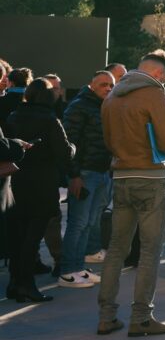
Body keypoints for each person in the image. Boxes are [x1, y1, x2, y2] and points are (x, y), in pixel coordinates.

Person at [98, 50, 165, 337]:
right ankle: (141, 318)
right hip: (151, 177)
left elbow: (108, 141)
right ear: (159, 74)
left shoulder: (112, 96)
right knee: (149, 250)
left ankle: (106, 316)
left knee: (116, 250)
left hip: (121, 176)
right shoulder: (154, 93)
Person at [5, 78, 76, 301]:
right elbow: (64, 154)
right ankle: (26, 284)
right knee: (33, 237)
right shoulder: (50, 120)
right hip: (42, 184)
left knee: (20, 237)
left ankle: (16, 283)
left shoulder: (14, 115)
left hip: (17, 182)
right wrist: (74, 148)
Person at [58, 71, 115, 287]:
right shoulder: (79, 106)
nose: (108, 88)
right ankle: (67, 271)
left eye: (111, 85)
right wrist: (74, 175)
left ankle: (78, 268)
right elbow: (68, 144)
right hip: (84, 173)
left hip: (101, 172)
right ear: (91, 85)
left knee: (89, 223)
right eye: (103, 84)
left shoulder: (106, 106)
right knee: (78, 223)